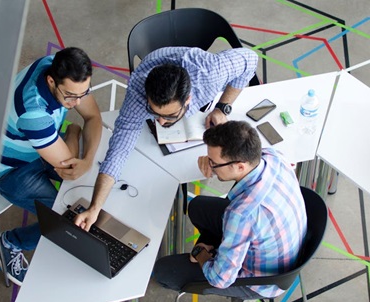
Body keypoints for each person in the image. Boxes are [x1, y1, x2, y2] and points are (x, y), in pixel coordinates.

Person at [72, 46, 258, 231]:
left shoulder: (210, 74)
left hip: (197, 67)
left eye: (169, 116)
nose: (160, 122)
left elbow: (250, 59)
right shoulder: (138, 94)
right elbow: (118, 151)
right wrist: (95, 207)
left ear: (188, 100)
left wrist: (223, 106)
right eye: (154, 113)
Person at [153, 121, 307, 302]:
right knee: (198, 207)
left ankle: (243, 298)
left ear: (240, 166)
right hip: (282, 244)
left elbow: (220, 279)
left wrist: (201, 253)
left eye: (214, 163)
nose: (210, 166)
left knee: (164, 271)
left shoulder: (241, 214)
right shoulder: (272, 157)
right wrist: (211, 160)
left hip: (262, 280)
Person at [0, 47, 102, 285]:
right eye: (71, 96)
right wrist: (73, 132)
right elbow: (70, 169)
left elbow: (93, 117)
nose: (78, 102)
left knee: (89, 184)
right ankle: (11, 242)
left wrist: (88, 158)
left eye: (84, 93)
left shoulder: (58, 66)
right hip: (13, 170)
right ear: (51, 81)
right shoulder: (33, 113)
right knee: (64, 219)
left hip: (41, 146)